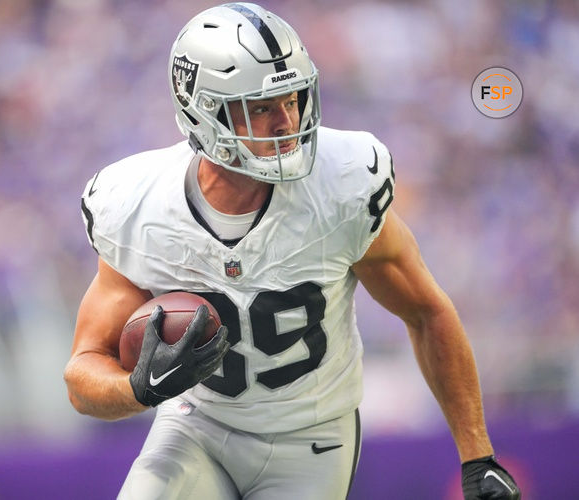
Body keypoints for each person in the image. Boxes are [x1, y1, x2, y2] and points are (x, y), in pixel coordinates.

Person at [64, 3, 521, 499]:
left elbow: (427, 312)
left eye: (293, 97)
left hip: (313, 438)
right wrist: (136, 390)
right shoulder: (138, 205)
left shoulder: (342, 185)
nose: (287, 121)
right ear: (204, 112)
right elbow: (83, 372)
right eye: (261, 108)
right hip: (197, 426)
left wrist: (478, 456)